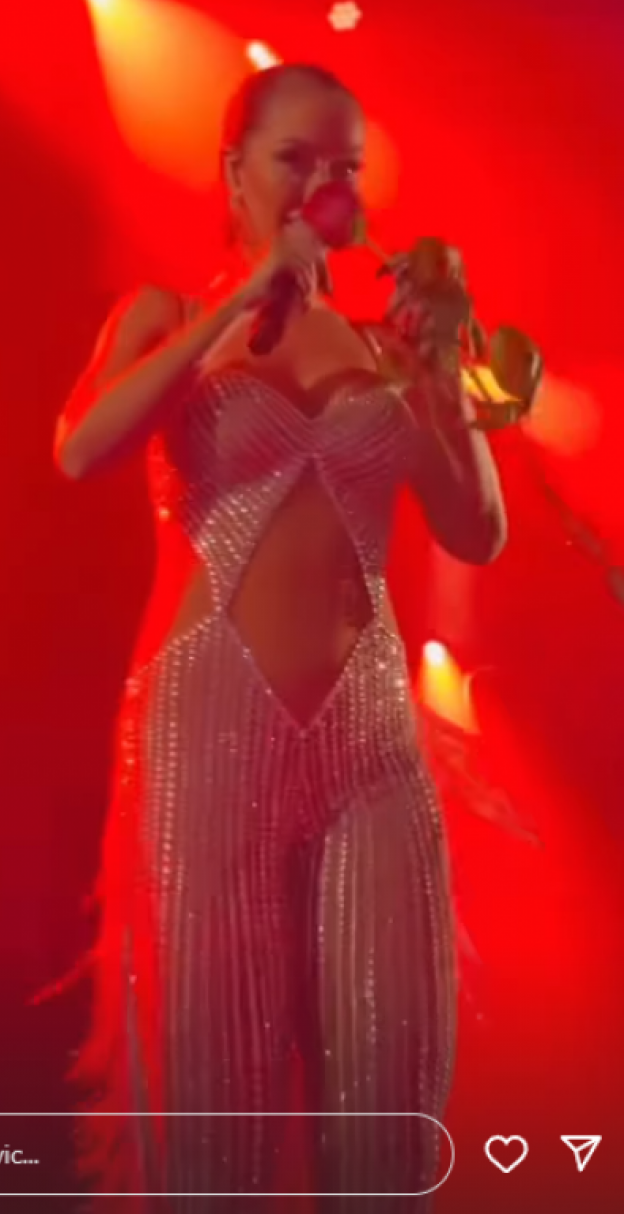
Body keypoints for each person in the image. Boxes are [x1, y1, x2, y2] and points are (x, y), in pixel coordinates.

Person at [53, 63, 508, 1210]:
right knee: (215, 1131)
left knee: (389, 1117)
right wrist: (242, 300)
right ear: (233, 173)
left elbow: (478, 532)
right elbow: (81, 448)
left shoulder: (385, 346)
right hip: (211, 733)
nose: (323, 186)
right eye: (294, 159)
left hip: (370, 742)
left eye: (345, 165)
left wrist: (443, 371)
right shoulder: (166, 316)